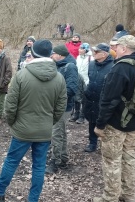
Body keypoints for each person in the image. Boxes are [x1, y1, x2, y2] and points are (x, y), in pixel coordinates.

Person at [0, 39, 67, 202]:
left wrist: (14, 123)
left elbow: (10, 106)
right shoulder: (59, 78)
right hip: (44, 131)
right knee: (39, 166)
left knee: (11, 161)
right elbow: (60, 108)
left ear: (34, 53)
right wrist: (48, 123)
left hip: (22, 130)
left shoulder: (22, 75)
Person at [92, 35, 135, 202]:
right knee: (130, 157)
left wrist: (100, 124)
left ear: (124, 49)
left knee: (111, 159)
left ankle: (110, 199)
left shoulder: (121, 68)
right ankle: (129, 194)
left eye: (116, 46)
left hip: (117, 123)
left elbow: (109, 100)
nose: (114, 50)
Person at [46, 44, 78, 174]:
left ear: (60, 55)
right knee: (61, 132)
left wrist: (54, 95)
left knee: (56, 134)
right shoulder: (57, 66)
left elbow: (71, 89)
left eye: (53, 54)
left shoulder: (70, 67)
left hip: (63, 106)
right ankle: (63, 158)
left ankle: (55, 161)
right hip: (56, 105)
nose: (51, 56)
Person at [82, 43, 114, 153]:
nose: (93, 53)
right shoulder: (91, 64)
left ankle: (105, 143)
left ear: (104, 54)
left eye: (96, 52)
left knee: (105, 122)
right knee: (91, 120)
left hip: (104, 99)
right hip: (91, 97)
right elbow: (88, 79)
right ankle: (92, 142)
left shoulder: (113, 66)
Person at [70, 42, 92, 124]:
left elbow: (91, 71)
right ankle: (76, 114)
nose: (80, 50)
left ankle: (82, 116)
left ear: (86, 50)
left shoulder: (90, 58)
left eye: (82, 48)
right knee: (76, 98)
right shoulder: (78, 58)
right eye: (79, 48)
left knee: (84, 99)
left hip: (86, 81)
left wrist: (88, 81)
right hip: (78, 80)